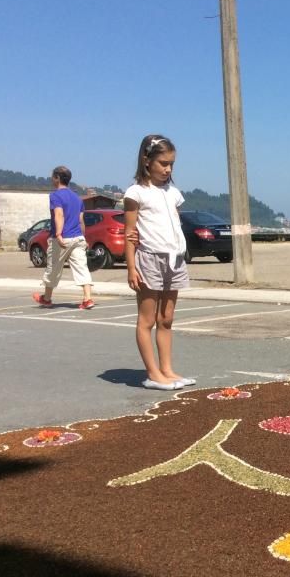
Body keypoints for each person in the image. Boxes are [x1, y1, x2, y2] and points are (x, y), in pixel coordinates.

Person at [123, 134, 195, 391]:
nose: (168, 169)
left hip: (174, 259)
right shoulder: (136, 193)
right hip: (149, 258)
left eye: (172, 164)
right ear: (146, 160)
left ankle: (167, 370)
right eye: (163, 163)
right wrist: (131, 267)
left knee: (167, 318)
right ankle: (152, 374)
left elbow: (173, 224)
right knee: (147, 319)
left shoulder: (173, 193)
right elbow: (130, 233)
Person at [32, 166, 94, 309]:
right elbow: (81, 220)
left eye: (52, 176)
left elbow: (59, 214)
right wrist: (84, 238)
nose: (51, 179)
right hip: (78, 237)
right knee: (81, 268)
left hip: (62, 238)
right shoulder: (77, 198)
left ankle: (46, 299)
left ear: (57, 178)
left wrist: (59, 234)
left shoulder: (55, 196)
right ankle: (88, 299)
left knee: (53, 268)